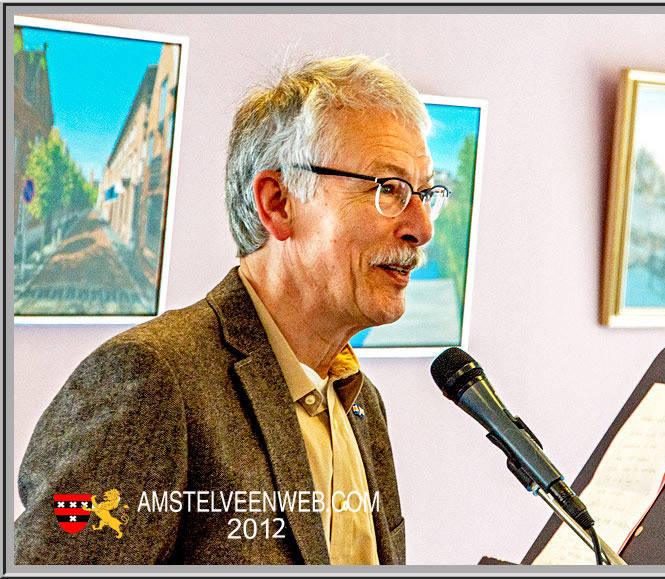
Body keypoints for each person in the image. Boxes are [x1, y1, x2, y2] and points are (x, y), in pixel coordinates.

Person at [14, 55, 451, 565]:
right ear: (278, 203)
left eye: (425, 193)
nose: (422, 228)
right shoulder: (153, 380)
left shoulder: (360, 400)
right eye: (389, 189)